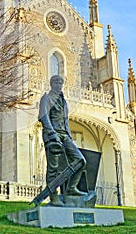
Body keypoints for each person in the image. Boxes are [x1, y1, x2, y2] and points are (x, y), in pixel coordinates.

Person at [38, 75, 86, 206]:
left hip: (65, 135)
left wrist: (69, 136)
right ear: (51, 84)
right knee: (53, 167)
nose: (59, 85)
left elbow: (65, 121)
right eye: (56, 82)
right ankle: (54, 196)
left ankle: (71, 188)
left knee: (80, 160)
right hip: (52, 134)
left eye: (61, 83)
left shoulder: (63, 101)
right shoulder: (46, 98)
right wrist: (52, 133)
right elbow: (43, 116)